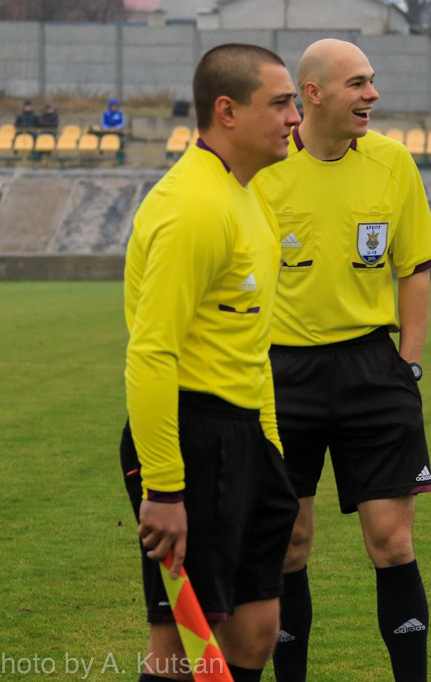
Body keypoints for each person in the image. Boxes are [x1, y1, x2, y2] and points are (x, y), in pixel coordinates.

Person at [254, 39, 431, 682]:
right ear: (313, 94)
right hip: (282, 375)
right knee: (289, 544)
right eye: (358, 83)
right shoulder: (265, 168)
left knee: (392, 542)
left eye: (372, 81)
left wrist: (407, 365)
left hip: (372, 370)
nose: (372, 94)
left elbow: (413, 266)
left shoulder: (393, 162)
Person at [119, 43, 302, 682]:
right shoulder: (192, 206)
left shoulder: (248, 198)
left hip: (246, 436)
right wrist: (164, 488)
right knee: (183, 644)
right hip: (193, 440)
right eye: (280, 104)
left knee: (254, 632)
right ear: (227, 111)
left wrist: (269, 447)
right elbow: (151, 352)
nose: (294, 119)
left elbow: (252, 343)